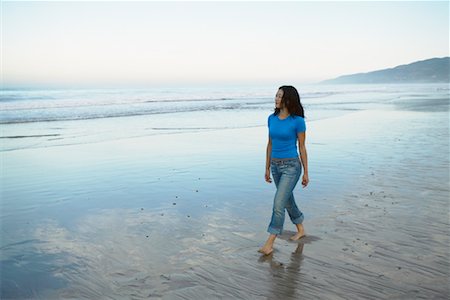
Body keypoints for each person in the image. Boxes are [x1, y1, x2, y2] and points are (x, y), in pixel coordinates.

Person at [259, 85, 309, 256]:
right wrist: (266, 167)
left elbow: (302, 147)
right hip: (275, 166)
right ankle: (301, 228)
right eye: (276, 96)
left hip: (291, 167)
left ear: (288, 99)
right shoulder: (271, 119)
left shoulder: (298, 121)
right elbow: (270, 144)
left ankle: (269, 243)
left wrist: (306, 172)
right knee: (287, 200)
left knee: (278, 203)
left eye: (280, 96)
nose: (276, 99)